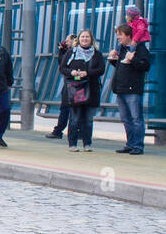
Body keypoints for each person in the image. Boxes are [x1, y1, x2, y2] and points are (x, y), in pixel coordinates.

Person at [59, 28, 105, 152]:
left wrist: (87, 73)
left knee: (88, 119)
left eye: (87, 37)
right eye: (83, 37)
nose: (85, 39)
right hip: (76, 91)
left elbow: (101, 70)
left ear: (91, 40)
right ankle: (72, 144)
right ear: (78, 39)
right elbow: (63, 68)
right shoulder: (71, 53)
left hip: (92, 90)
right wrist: (72, 72)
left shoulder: (97, 54)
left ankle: (87, 144)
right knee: (75, 118)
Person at [108, 23, 150, 155]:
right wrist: (113, 60)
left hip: (132, 89)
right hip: (121, 88)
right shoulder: (122, 49)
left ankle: (138, 145)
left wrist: (133, 59)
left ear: (128, 35)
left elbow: (145, 66)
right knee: (126, 118)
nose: (118, 38)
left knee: (136, 118)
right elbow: (122, 67)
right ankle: (130, 143)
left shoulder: (140, 49)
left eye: (120, 35)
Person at [45, 34, 77, 139]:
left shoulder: (76, 52)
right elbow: (62, 66)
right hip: (67, 85)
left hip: (74, 85)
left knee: (70, 109)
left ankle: (61, 131)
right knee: (65, 109)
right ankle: (59, 130)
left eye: (68, 41)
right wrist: (61, 51)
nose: (66, 43)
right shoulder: (68, 52)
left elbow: (65, 65)